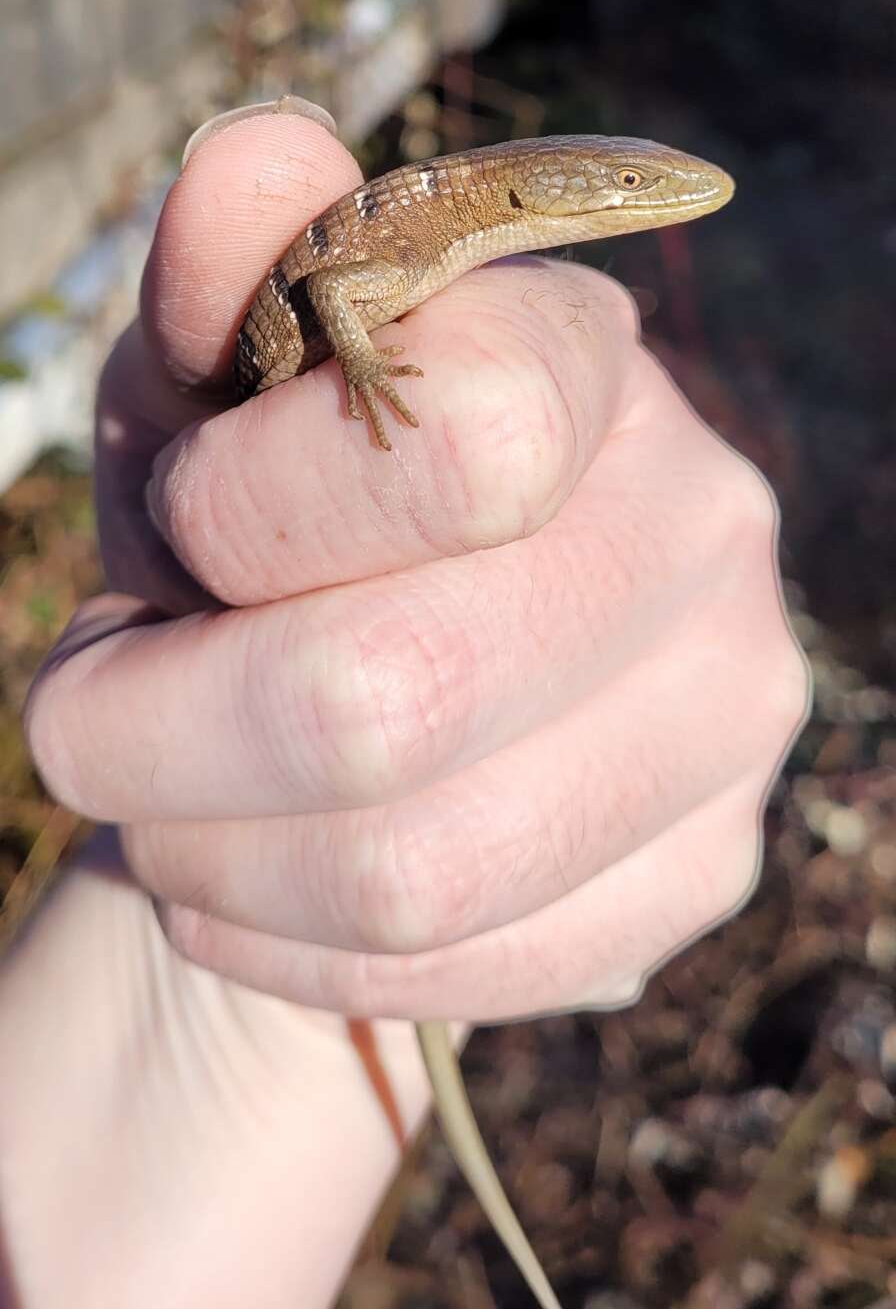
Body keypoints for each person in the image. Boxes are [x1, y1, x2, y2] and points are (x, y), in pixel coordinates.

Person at [0, 100, 808, 1308]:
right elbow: (334, 305)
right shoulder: (430, 235)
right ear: (541, 197)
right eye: (624, 196)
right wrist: (371, 376)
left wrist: (317, 909)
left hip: (241, 850)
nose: (652, 204)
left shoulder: (464, 228)